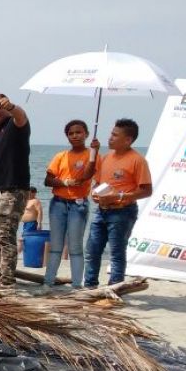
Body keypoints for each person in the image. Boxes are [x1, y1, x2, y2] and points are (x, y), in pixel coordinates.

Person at [85, 118, 151, 288]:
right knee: (92, 250)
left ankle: (115, 288)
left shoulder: (137, 160)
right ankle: (90, 286)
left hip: (123, 212)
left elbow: (146, 190)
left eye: (115, 135)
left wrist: (119, 197)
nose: (110, 138)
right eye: (111, 134)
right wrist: (96, 193)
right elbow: (98, 182)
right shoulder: (106, 158)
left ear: (128, 140)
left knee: (116, 253)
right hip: (101, 210)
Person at [43, 120, 100, 287]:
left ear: (86, 134)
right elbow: (48, 180)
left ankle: (76, 285)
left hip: (78, 205)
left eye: (79, 132)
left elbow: (88, 175)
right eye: (71, 133)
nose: (75, 135)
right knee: (56, 245)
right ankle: (48, 282)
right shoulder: (61, 156)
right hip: (58, 204)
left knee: (75, 246)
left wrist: (94, 153)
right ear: (67, 136)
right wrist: (64, 183)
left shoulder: (92, 155)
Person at [0, 93, 32, 285]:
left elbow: (21, 116)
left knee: (6, 237)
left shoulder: (14, 125)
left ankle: (7, 279)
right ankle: (0, 275)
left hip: (12, 190)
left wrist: (11, 107)